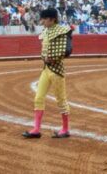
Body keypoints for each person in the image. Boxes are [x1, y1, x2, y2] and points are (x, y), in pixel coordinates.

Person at [23, 8, 71, 139]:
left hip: (57, 70)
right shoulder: (45, 31)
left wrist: (52, 58)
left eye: (44, 19)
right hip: (46, 69)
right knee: (38, 97)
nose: (42, 21)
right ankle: (36, 129)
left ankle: (65, 129)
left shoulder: (62, 31)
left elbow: (65, 51)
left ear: (52, 19)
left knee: (61, 100)